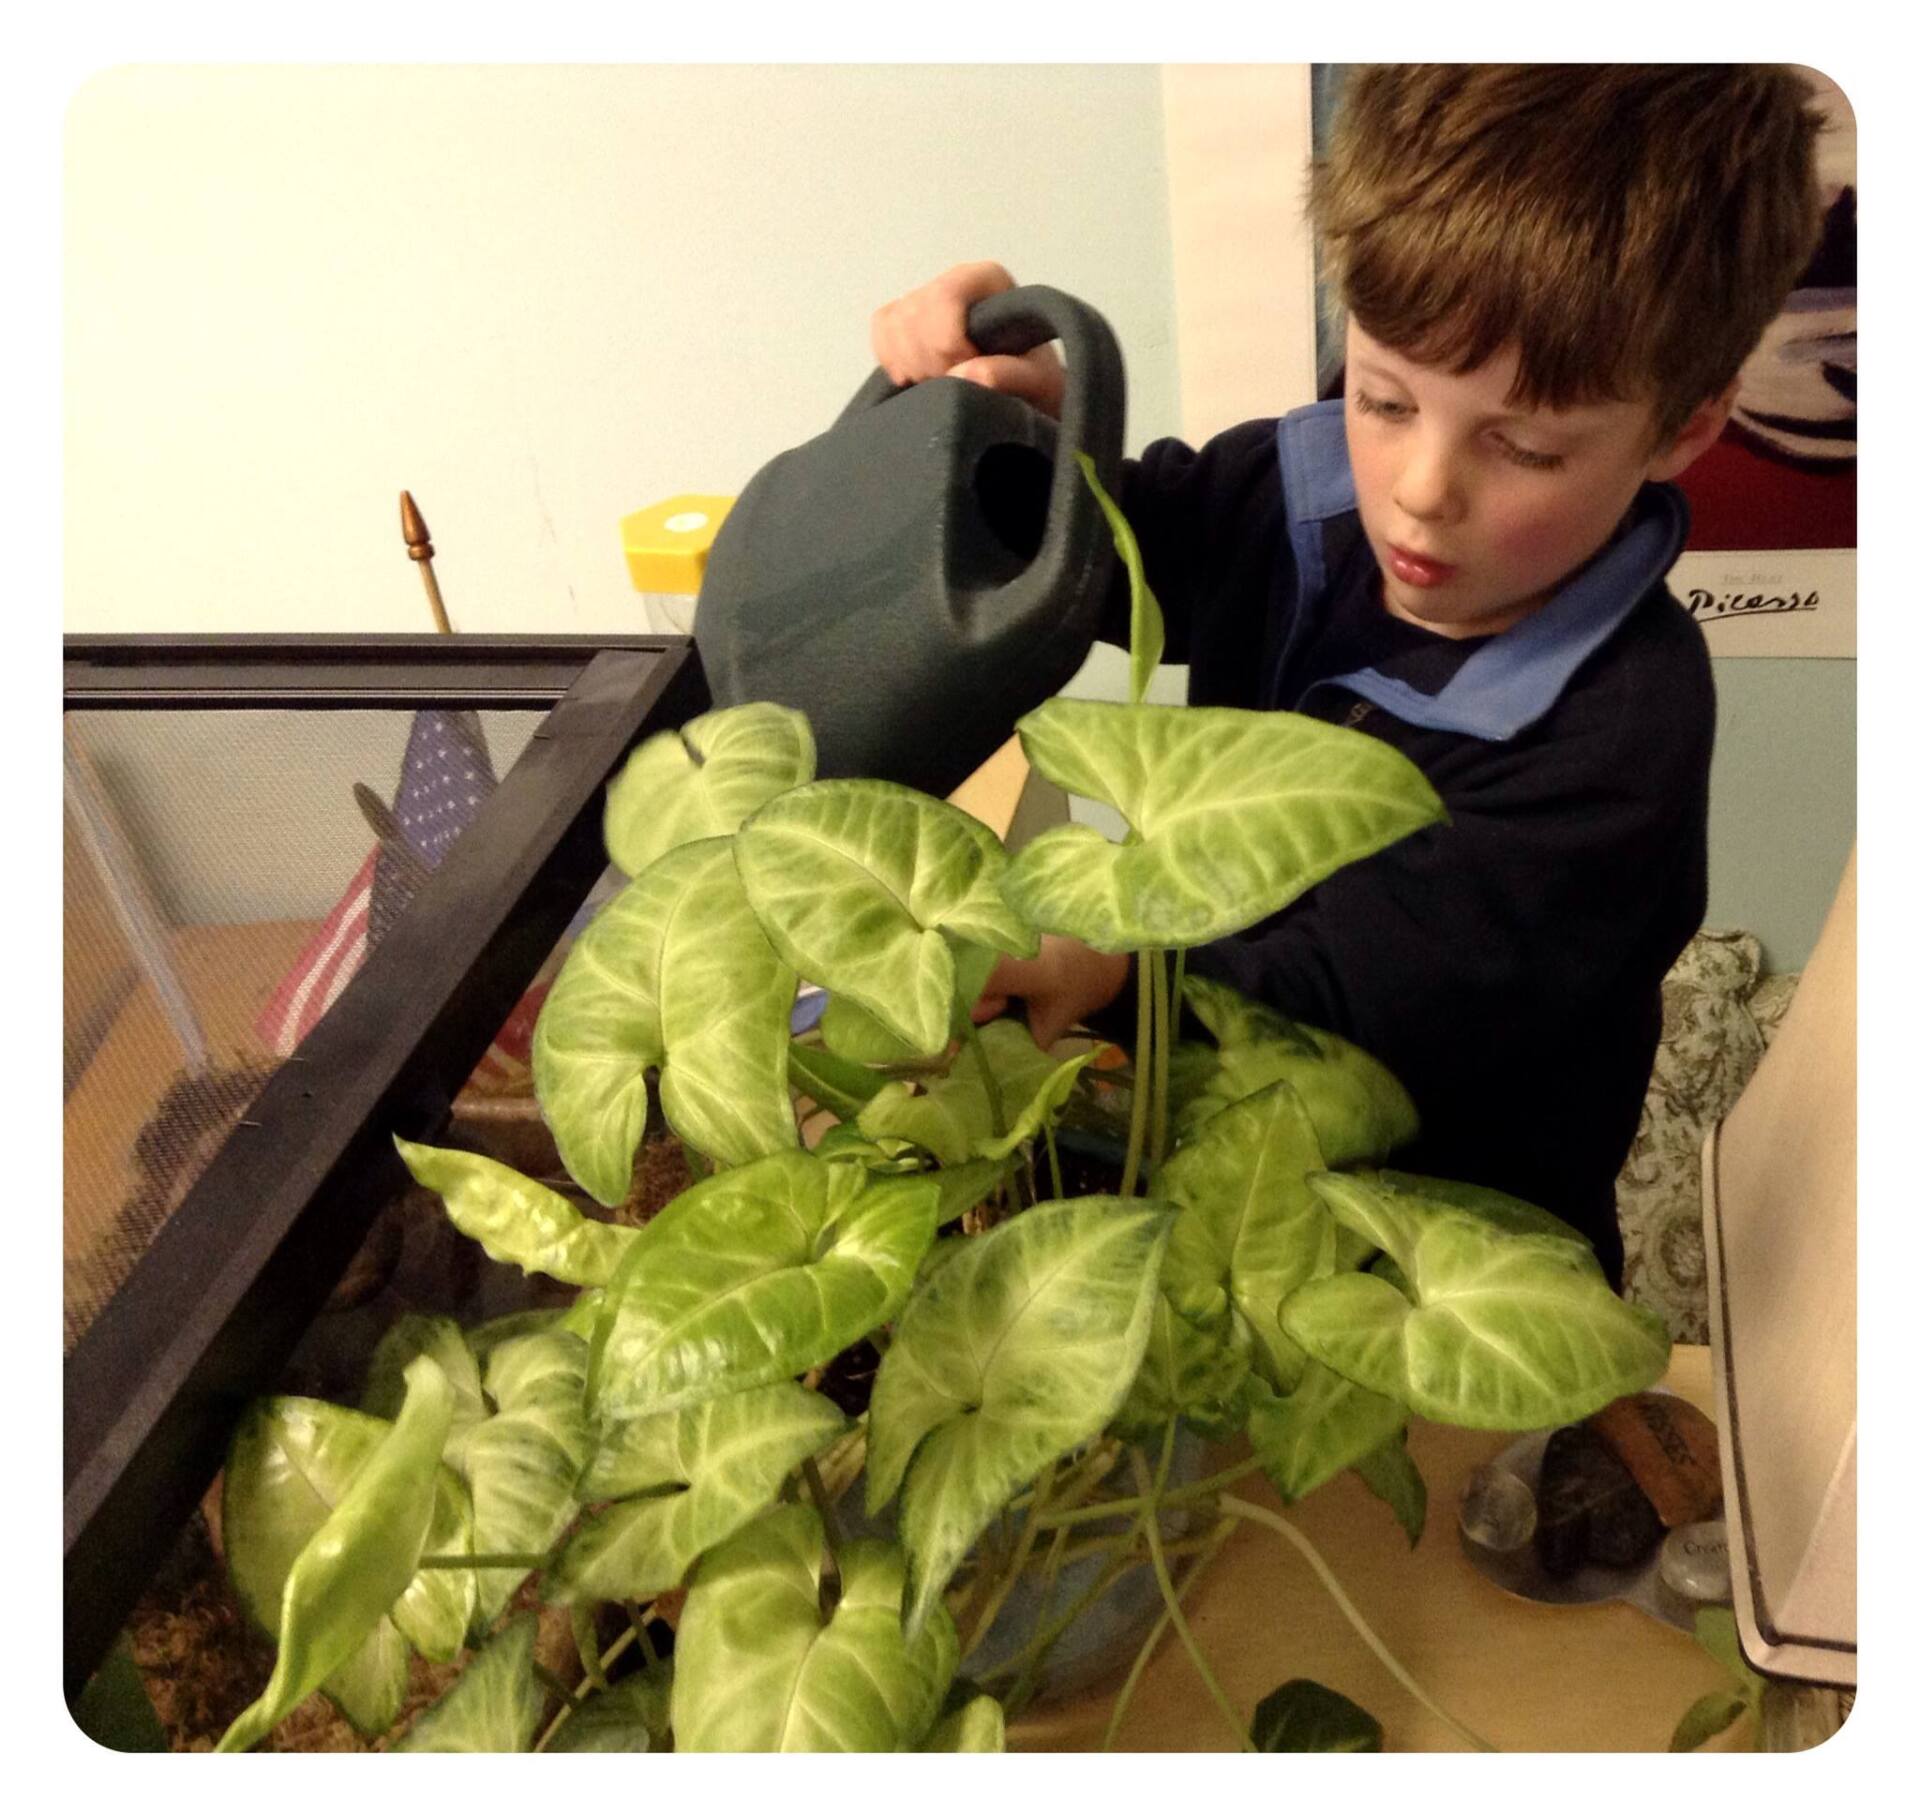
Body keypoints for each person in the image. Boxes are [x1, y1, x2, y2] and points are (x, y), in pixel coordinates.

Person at [867, 65, 1827, 1287]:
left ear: (1685, 428)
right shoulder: (1301, 491)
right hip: (1225, 1166)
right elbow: (1110, 552)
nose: (1420, 489)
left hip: (1445, 1263)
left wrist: (1100, 965)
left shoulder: (1616, 730)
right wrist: (999, 429)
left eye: (1524, 444)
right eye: (1383, 397)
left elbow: (1347, 1008)